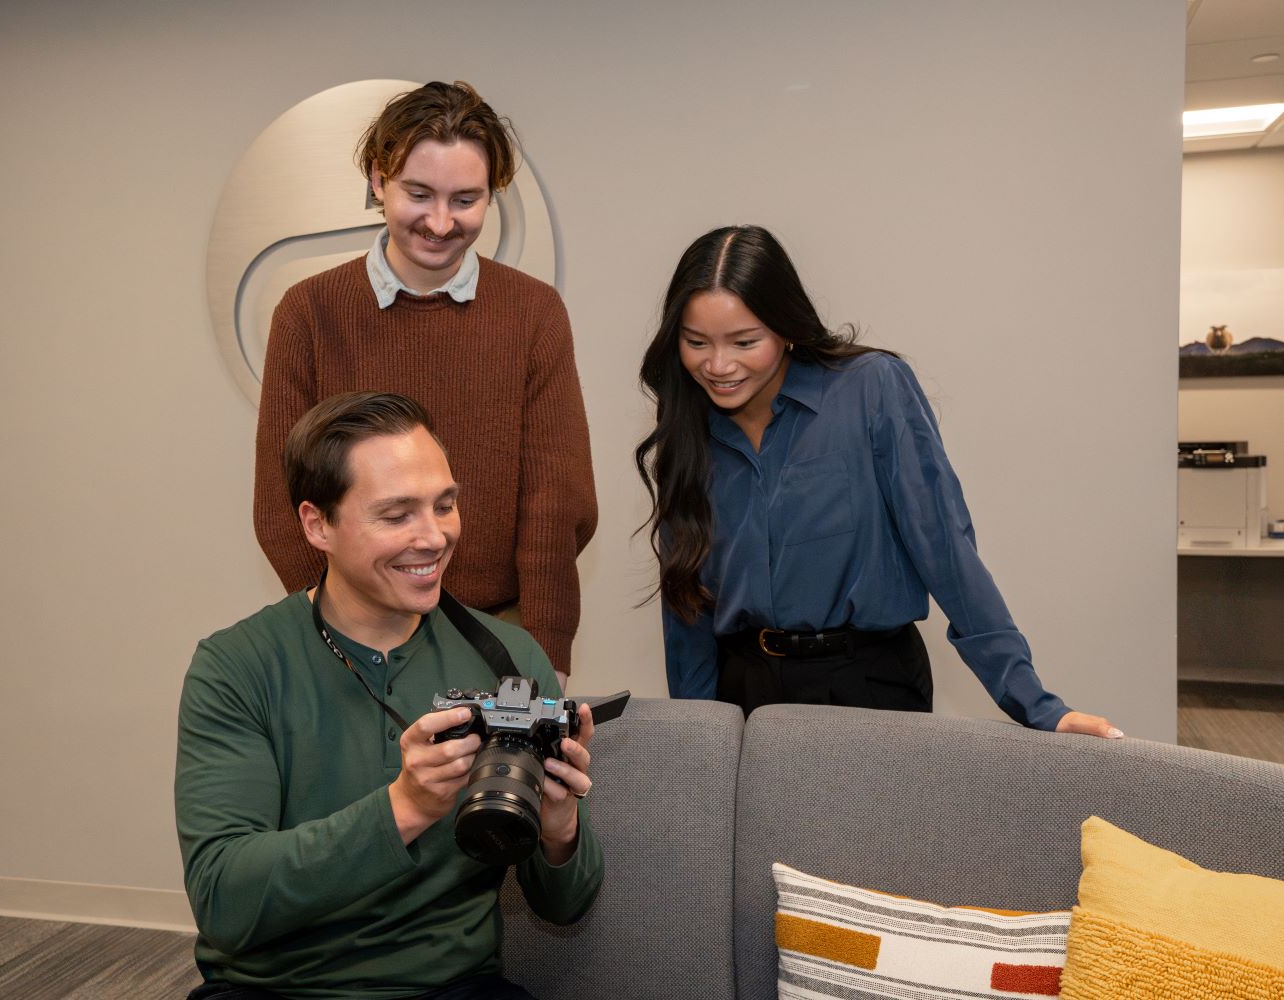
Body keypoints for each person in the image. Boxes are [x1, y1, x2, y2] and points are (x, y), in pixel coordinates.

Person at [178, 391, 602, 999]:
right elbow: (225, 901)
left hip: (451, 988)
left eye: (445, 505)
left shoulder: (510, 659)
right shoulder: (237, 667)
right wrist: (405, 806)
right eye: (397, 514)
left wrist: (560, 823)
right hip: (275, 990)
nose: (434, 538)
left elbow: (566, 907)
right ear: (317, 523)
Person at [635, 225, 1120, 737]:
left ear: (786, 327)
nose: (718, 365)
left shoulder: (871, 389)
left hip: (867, 687)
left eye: (744, 341)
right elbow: (686, 604)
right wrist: (692, 734)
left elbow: (946, 550)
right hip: (745, 699)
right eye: (695, 343)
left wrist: (1036, 704)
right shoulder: (686, 429)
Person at [254, 80, 597, 689]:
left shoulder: (533, 312)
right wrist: (340, 631)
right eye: (419, 193)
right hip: (352, 638)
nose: (441, 222)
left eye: (466, 200)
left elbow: (556, 503)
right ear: (377, 178)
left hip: (499, 635)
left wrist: (546, 657)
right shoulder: (308, 312)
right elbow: (285, 503)